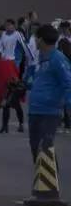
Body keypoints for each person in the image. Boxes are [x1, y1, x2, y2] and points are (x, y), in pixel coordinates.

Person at [26, 25, 71, 164]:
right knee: (35, 148)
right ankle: (42, 182)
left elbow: (68, 83)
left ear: (40, 40)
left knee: (44, 147)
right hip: (35, 110)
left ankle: (49, 185)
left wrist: (69, 106)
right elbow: (40, 81)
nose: (34, 42)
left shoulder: (58, 59)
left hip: (49, 112)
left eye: (35, 38)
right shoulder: (41, 58)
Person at [0, 50, 25, 133]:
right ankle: (21, 125)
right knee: (17, 107)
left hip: (5, 89)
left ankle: (5, 127)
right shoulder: (9, 62)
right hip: (15, 86)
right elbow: (17, 72)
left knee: (6, 107)